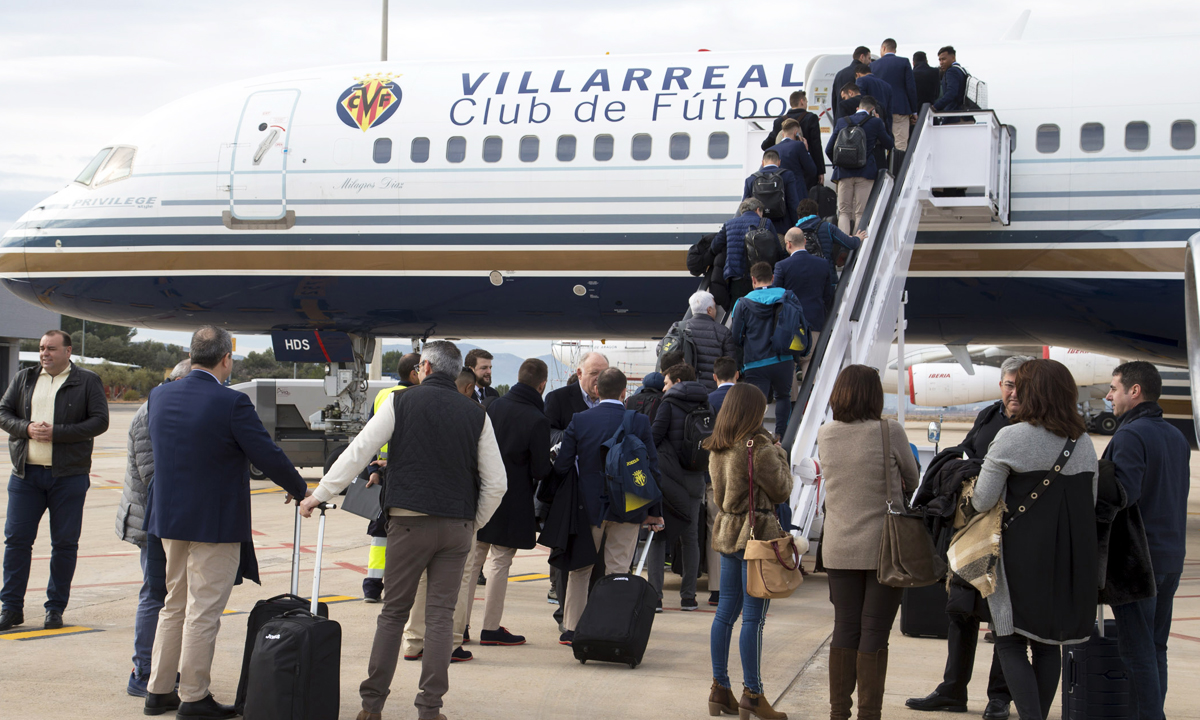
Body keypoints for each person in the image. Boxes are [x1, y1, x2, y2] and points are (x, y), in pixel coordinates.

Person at [300, 340, 507, 720]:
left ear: (424, 368)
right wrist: (472, 522)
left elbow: (360, 450)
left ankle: (372, 707)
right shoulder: (477, 413)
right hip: (457, 525)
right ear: (457, 370)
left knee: (393, 614)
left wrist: (321, 494)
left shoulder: (400, 402)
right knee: (442, 618)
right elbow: (497, 483)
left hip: (408, 523)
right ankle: (430, 709)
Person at [142, 326, 308, 719]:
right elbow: (266, 454)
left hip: (168, 519)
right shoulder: (230, 402)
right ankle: (194, 696)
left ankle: (159, 690)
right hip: (213, 522)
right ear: (226, 359)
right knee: (203, 611)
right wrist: (300, 488)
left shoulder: (160, 395)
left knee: (173, 605)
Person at [971, 359, 1099, 720]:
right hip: (1068, 558)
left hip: (1019, 556)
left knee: (1010, 640)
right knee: (1047, 646)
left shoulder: (1012, 437)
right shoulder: (1084, 442)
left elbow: (982, 499)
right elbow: (1088, 502)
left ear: (1031, 393)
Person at [906, 355, 1032, 720]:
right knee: (960, 611)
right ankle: (952, 690)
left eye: (1021, 387)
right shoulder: (989, 416)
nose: (1014, 393)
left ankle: (999, 698)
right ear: (1001, 386)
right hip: (972, 529)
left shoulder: (1035, 424)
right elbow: (966, 452)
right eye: (1009, 385)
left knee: (1005, 622)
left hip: (1011, 535)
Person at [817, 364, 919, 720]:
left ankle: (838, 713)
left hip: (838, 547)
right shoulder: (889, 431)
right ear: (873, 395)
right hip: (884, 549)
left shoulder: (825, 434)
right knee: (875, 631)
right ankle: (868, 715)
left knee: (845, 627)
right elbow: (912, 476)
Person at [0, 329, 108, 634]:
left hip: (68, 476)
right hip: (26, 475)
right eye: (41, 348)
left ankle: (55, 608)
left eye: (50, 348)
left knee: (64, 545)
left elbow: (100, 421)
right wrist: (27, 428)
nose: (44, 353)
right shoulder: (25, 378)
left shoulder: (87, 380)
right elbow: (3, 412)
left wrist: (56, 432)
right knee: (17, 542)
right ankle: (11, 608)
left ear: (67, 351)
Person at [1104, 361, 1191, 720]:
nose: (1109, 396)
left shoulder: (1130, 435)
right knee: (1156, 648)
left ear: (1134, 391)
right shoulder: (1175, 435)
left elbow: (1124, 493)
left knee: (1136, 651)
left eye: (1114, 388)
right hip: (1170, 557)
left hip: (1137, 562)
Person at [552, 367, 663, 646]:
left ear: (597, 390)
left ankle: (572, 629)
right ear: (625, 392)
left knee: (581, 569)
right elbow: (652, 468)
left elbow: (563, 464)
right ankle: (612, 629)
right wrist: (654, 512)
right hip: (629, 506)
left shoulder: (580, 420)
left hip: (589, 508)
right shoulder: (638, 421)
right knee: (618, 571)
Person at [706, 383, 794, 720]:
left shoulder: (717, 446)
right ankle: (753, 695)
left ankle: (720, 689)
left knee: (725, 613)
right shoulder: (758, 446)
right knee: (754, 619)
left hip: (728, 531)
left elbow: (719, 497)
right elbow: (783, 489)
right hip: (757, 536)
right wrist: (779, 451)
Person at [462, 358, 552, 647]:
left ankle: (459, 626)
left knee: (472, 561)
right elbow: (540, 470)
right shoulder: (537, 419)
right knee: (500, 562)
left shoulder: (492, 406)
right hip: (512, 499)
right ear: (542, 385)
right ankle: (490, 628)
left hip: (481, 493)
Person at [115, 359, 191, 697]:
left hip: (164, 519)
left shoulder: (165, 408)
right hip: (152, 521)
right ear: (175, 381)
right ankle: (143, 672)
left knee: (166, 596)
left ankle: (158, 668)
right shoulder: (150, 414)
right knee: (155, 594)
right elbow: (153, 477)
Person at [543, 350, 610, 626]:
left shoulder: (613, 402)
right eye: (594, 373)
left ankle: (591, 612)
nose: (599, 379)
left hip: (601, 493)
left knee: (598, 559)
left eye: (604, 374)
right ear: (579, 373)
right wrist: (578, 435)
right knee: (566, 555)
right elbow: (546, 434)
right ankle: (564, 613)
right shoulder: (558, 399)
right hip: (569, 491)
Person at [648, 363, 710, 611]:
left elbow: (654, 437)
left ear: (678, 380)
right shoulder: (706, 404)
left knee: (659, 535)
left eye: (666, 382)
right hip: (695, 478)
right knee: (690, 537)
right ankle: (688, 597)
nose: (664, 386)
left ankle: (655, 597)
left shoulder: (669, 404)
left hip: (670, 480)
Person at [362, 352, 422, 603]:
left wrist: (372, 471)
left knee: (380, 533)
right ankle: (400, 589)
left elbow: (368, 438)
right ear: (414, 373)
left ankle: (372, 587)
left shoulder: (381, 395)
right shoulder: (415, 398)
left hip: (383, 474)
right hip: (404, 476)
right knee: (408, 533)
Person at [730, 262, 799, 440]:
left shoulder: (743, 303)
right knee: (784, 397)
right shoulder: (787, 296)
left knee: (756, 403)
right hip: (783, 358)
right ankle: (781, 437)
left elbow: (736, 336)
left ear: (753, 279)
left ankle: (758, 439)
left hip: (755, 361)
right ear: (773, 278)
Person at [826, 96, 893, 234]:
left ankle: (844, 244)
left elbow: (828, 149)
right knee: (860, 213)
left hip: (843, 173)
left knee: (844, 211)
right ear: (873, 109)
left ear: (858, 108)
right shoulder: (875, 122)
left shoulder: (841, 121)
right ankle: (857, 248)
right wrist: (880, 121)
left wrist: (839, 163)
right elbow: (889, 144)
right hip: (865, 173)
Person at [775, 227, 834, 380]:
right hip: (815, 322)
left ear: (788, 244)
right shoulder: (822, 264)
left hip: (791, 325)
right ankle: (809, 400)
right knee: (809, 362)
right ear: (805, 241)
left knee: (791, 365)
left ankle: (794, 403)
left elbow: (777, 296)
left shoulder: (782, 266)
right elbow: (828, 296)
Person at [704, 356, 739, 606]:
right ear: (737, 374)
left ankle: (717, 589)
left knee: (714, 527)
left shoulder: (708, 401)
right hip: (743, 474)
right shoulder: (749, 400)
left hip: (715, 475)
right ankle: (744, 584)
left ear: (714, 377)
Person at [794, 198, 864, 293]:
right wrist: (857, 238)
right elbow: (850, 244)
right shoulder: (826, 227)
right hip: (827, 279)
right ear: (817, 213)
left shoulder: (793, 233)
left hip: (804, 281)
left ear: (798, 216)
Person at [710, 198, 768, 304]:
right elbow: (776, 247)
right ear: (758, 210)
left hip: (736, 277)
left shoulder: (729, 224)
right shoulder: (765, 222)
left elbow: (714, 247)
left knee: (737, 311)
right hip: (759, 276)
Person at [760, 90, 824, 185]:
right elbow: (816, 146)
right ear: (802, 101)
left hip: (782, 172)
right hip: (805, 173)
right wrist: (820, 171)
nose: (806, 104)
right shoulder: (811, 118)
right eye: (806, 101)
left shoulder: (779, 121)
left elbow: (765, 145)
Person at [871, 39, 919, 154]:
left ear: (883, 48)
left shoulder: (873, 65)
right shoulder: (904, 62)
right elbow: (911, 88)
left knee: (881, 143)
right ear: (895, 49)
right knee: (900, 145)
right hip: (900, 109)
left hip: (880, 111)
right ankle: (898, 171)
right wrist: (914, 112)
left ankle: (884, 170)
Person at [684, 290, 736, 392]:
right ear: (709, 310)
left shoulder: (678, 327)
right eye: (714, 307)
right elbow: (730, 363)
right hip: (711, 390)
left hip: (686, 388)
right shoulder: (723, 332)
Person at [743, 150, 802, 236]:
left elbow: (745, 208)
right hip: (782, 229)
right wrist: (796, 225)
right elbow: (793, 203)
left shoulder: (750, 179)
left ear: (762, 163)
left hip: (758, 231)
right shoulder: (787, 175)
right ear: (779, 162)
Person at [768, 118, 819, 191]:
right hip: (796, 191)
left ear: (782, 134)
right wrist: (806, 151)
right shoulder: (799, 146)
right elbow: (812, 171)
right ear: (796, 133)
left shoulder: (771, 150)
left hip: (778, 193)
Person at [832, 46, 873, 122]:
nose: (870, 62)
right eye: (869, 58)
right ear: (862, 57)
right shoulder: (863, 76)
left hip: (841, 119)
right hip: (857, 122)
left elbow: (834, 100)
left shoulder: (839, 74)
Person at [855, 65, 894, 139]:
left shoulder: (861, 80)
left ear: (858, 74)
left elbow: (859, 100)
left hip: (867, 124)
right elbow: (889, 111)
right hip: (882, 124)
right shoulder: (887, 86)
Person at [933, 46, 969, 114]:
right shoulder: (961, 70)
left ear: (953, 58)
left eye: (943, 59)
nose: (941, 62)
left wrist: (935, 107)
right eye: (939, 60)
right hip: (963, 113)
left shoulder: (951, 71)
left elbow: (951, 93)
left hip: (955, 116)